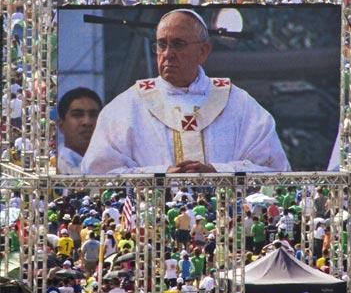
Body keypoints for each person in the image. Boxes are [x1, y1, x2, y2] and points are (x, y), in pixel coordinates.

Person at [81, 9, 289, 174]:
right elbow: (97, 174)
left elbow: (275, 171)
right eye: (162, 45)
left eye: (178, 44)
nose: (168, 54)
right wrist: (162, 176)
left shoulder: (239, 104)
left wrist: (218, 173)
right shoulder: (126, 107)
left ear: (203, 51)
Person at [58, 87, 102, 174]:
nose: (87, 122)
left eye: (93, 115)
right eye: (77, 115)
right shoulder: (54, 167)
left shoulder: (115, 166)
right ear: (61, 125)